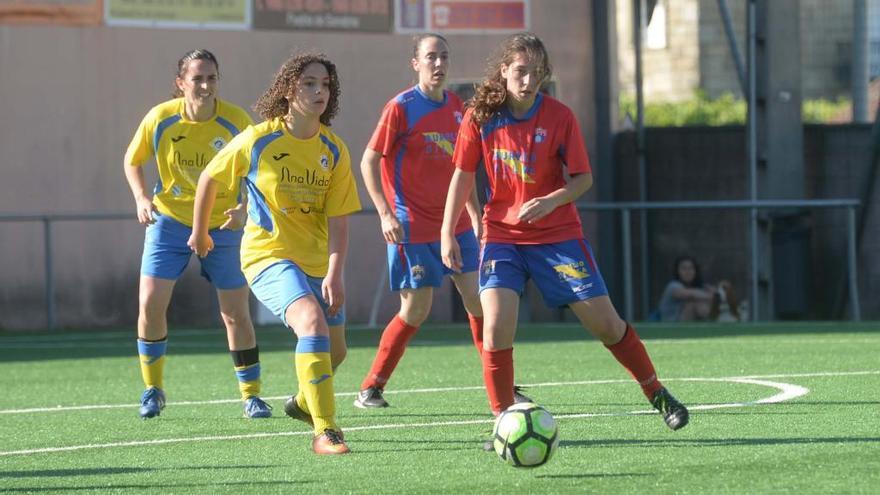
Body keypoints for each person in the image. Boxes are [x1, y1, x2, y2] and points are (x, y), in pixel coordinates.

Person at [440, 33, 690, 444]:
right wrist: (450, 232)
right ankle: (503, 419)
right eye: (521, 71)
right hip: (502, 237)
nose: (528, 81)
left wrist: (550, 200)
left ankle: (658, 394)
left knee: (607, 326)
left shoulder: (559, 117)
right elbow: (462, 176)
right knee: (496, 328)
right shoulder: (480, 116)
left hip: (557, 238)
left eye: (536, 73)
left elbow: (583, 179)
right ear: (504, 71)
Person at [189, 52, 360, 455]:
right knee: (312, 326)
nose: (320, 92)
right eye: (309, 84)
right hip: (268, 256)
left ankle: (303, 402)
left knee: (336, 352)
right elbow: (210, 176)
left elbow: (339, 221)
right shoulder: (258, 139)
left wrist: (335, 272)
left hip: (318, 261)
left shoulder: (334, 150)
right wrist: (200, 232)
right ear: (287, 90)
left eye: (326, 85)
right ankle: (326, 431)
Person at [353, 34, 531, 409]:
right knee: (417, 308)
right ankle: (372, 385)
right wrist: (385, 213)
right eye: (430, 57)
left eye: (443, 57)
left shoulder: (456, 106)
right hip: (411, 225)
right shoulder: (400, 107)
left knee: (481, 301)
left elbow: (462, 168)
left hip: (457, 228)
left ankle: (502, 387)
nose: (438, 63)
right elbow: (369, 161)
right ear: (415, 63)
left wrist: (474, 215)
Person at [123, 49, 271, 420]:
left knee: (235, 313)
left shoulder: (236, 121)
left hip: (222, 225)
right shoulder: (161, 118)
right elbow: (132, 159)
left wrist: (244, 209)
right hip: (170, 222)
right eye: (198, 79)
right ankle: (153, 390)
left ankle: (251, 395)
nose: (206, 86)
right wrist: (142, 198)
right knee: (150, 305)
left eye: (212, 78)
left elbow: (261, 169)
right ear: (181, 83)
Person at [658, 256, 740, 322]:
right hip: (672, 325)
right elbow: (691, 294)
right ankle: (721, 319)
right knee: (694, 304)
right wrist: (718, 296)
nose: (688, 272)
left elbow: (716, 292)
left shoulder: (701, 286)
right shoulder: (673, 286)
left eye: (691, 268)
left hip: (693, 323)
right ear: (677, 271)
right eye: (684, 268)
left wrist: (722, 290)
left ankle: (726, 315)